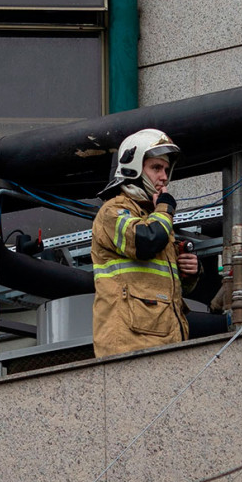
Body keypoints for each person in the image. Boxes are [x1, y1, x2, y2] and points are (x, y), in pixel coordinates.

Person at [90, 128, 201, 357]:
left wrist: (189, 272)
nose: (163, 177)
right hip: (128, 345)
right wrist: (165, 208)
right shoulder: (113, 211)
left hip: (163, 343)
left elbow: (159, 281)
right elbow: (145, 242)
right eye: (156, 168)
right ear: (134, 168)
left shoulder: (155, 219)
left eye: (166, 170)